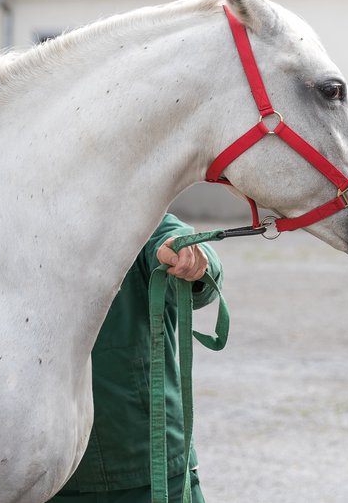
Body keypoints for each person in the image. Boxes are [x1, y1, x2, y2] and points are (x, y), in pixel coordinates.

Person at [50, 213, 223, 503]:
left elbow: (184, 251)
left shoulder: (140, 217)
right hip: (49, 473)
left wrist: (190, 257)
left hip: (151, 466)